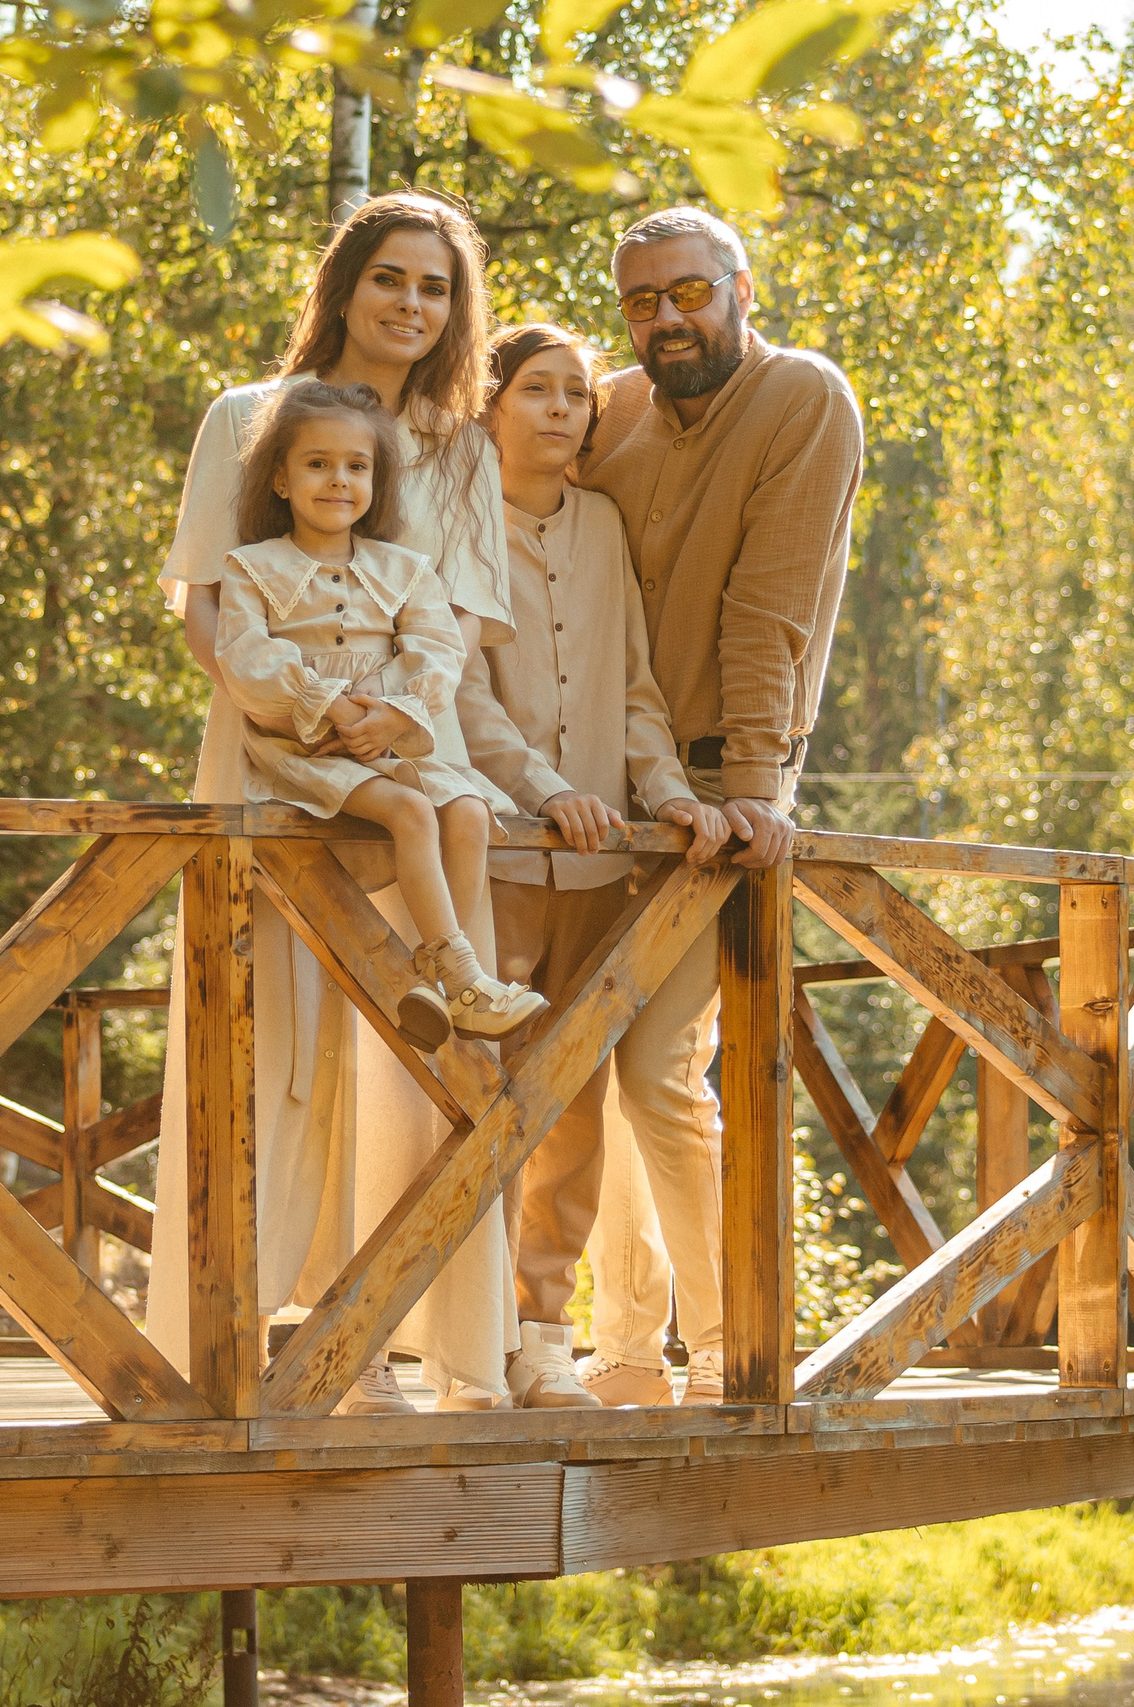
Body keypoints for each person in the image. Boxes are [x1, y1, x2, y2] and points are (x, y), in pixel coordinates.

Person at [152, 190, 556, 1415]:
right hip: (273, 757)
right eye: (391, 278)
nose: (411, 305)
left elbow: (469, 623)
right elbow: (204, 602)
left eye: (436, 287)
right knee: (273, 1035)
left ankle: (385, 1342)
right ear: (345, 284)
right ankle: (251, 1340)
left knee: (414, 1036)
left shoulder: (461, 448)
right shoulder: (245, 420)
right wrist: (305, 708)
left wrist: (396, 712)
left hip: (415, 758)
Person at [506, 207, 863, 1405]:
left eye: (687, 294)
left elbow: (774, 606)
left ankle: (729, 1346)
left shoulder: (800, 399)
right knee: (590, 1056)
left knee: (660, 1063)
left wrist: (758, 785)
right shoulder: (605, 410)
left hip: (722, 785)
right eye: (642, 301)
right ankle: (621, 1352)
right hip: (598, 787)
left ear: (740, 287)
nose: (666, 319)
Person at [461, 323, 733, 1407]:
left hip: (594, 870)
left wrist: (664, 791)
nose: (564, 410)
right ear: (490, 406)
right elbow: (459, 690)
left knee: (570, 1109)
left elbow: (630, 687)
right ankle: (455, 1335)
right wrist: (540, 789)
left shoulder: (603, 524)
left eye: (578, 393)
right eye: (537, 390)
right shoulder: (452, 519)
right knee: (476, 1098)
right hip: (490, 852)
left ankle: (539, 1333)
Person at [198, 379, 546, 1043]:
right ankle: (465, 979)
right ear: (280, 478)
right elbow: (245, 658)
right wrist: (327, 708)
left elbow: (439, 652)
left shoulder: (406, 570)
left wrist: (396, 715)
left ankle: (447, 974)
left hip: (392, 738)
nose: (338, 480)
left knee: (470, 809)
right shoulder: (251, 569)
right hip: (300, 748)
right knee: (412, 811)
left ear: (376, 481)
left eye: (356, 466)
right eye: (318, 463)